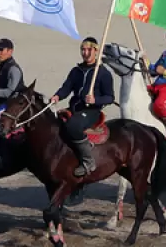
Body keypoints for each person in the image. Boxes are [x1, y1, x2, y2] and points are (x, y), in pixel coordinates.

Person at [49, 37, 116, 177]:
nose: (85, 53)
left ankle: (88, 160)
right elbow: (66, 88)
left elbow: (110, 97)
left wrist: (95, 100)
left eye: (89, 50)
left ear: (96, 51)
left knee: (73, 126)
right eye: (83, 50)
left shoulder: (103, 73)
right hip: (74, 108)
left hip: (91, 111)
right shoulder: (76, 70)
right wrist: (57, 96)